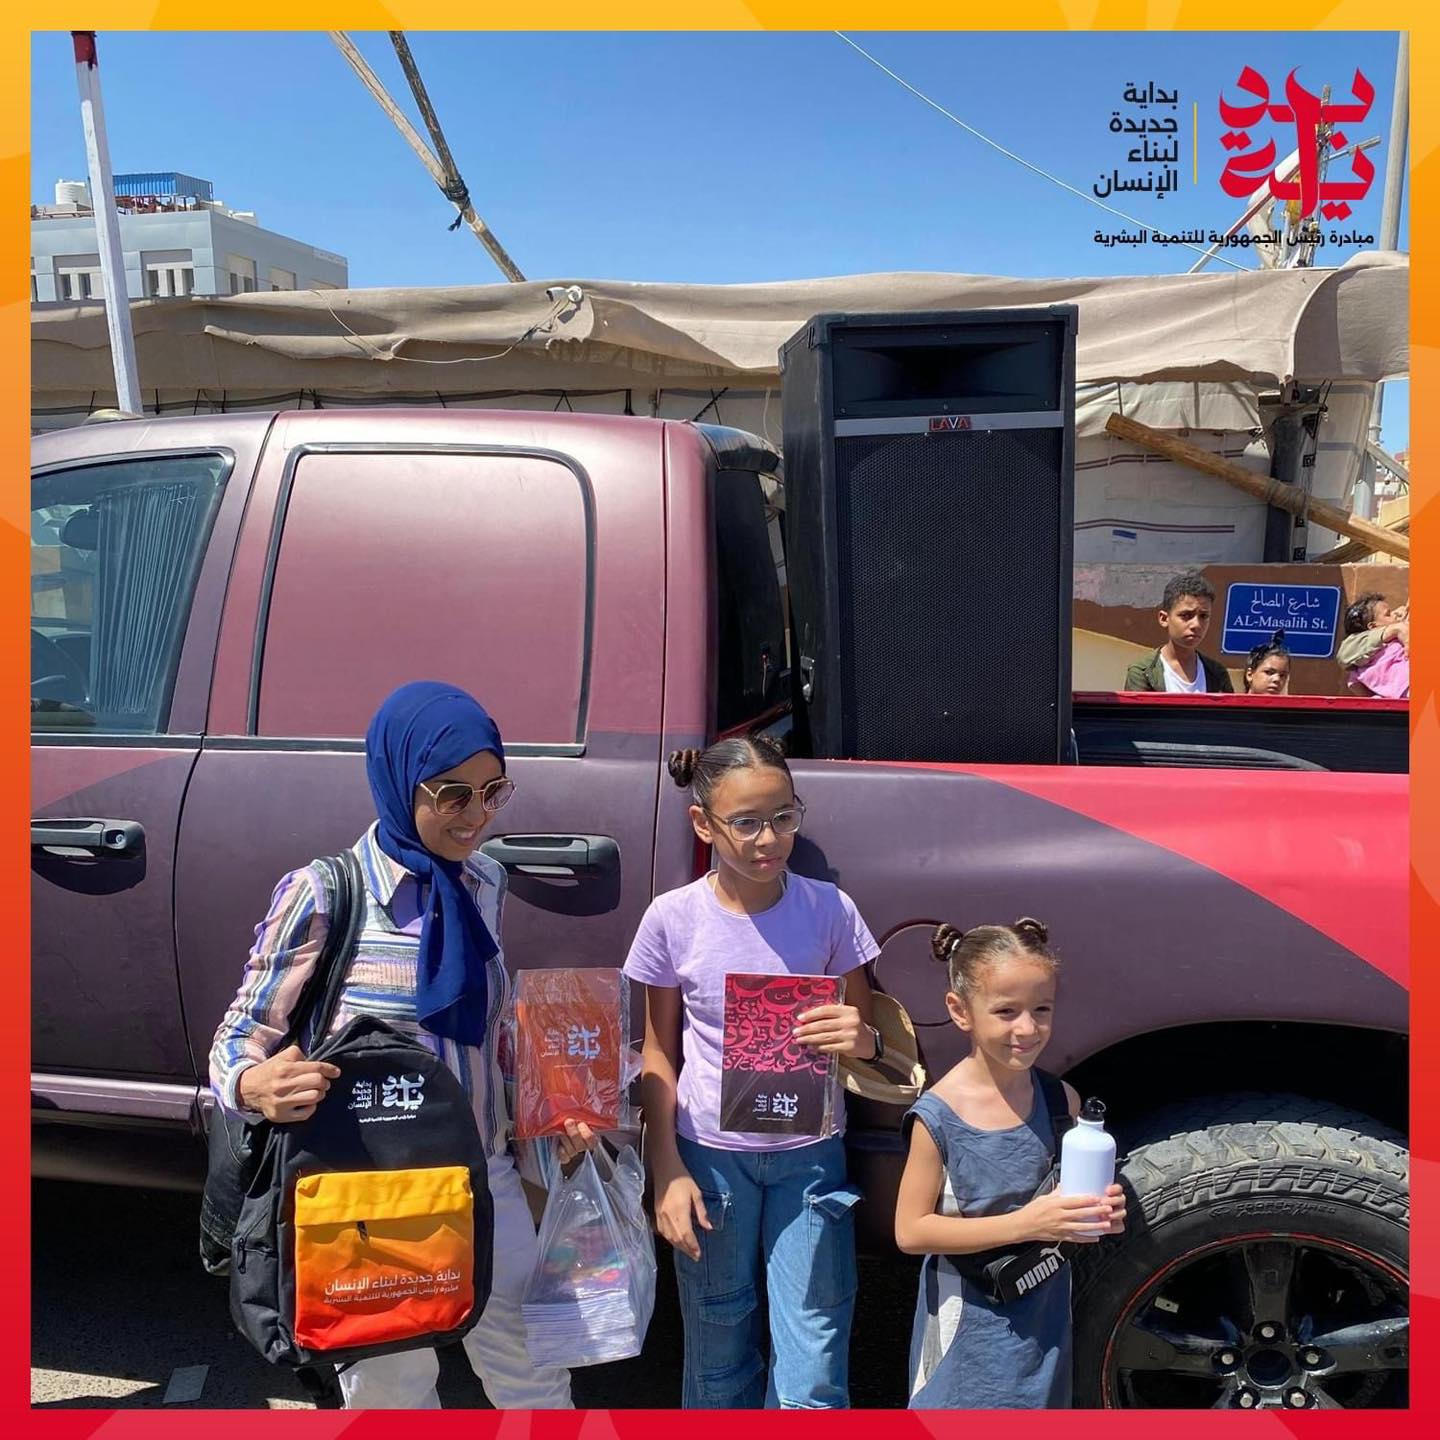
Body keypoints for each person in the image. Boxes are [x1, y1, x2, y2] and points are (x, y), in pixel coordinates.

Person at [210, 680, 592, 1410]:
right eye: (453, 795)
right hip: (372, 1190)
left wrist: (550, 1108)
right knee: (392, 1389)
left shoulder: (484, 881)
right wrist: (254, 1085)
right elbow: (240, 1034)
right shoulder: (325, 891)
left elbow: (489, 1034)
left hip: (483, 1172)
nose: (476, 815)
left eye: (493, 792)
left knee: (534, 1374)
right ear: (398, 779)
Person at [623, 735, 881, 1409]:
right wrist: (666, 1170)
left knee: (814, 1356)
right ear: (703, 823)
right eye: (746, 822)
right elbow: (658, 1052)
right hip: (711, 1164)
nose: (768, 839)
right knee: (718, 1352)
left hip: (810, 1161)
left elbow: (865, 1033)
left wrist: (861, 1037)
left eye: (783, 817)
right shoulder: (673, 919)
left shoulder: (829, 909)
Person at [894, 919, 1126, 1409]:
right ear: (960, 1010)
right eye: (1006, 1011)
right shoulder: (938, 1117)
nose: (1027, 1028)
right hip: (965, 1329)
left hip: (1043, 1324)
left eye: (1042, 1009)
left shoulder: (1060, 1101)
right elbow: (911, 1232)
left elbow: (1067, 1205)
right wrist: (1028, 1223)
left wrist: (1101, 1212)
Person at [1123, 571, 1234, 693]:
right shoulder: (1143, 673)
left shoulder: (1217, 674)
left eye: (1203, 616)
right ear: (1164, 618)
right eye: (1186, 615)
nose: (1196, 625)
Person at [1337, 592, 1410, 699]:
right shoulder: (1387, 643)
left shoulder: (1360, 664)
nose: (1395, 614)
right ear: (1373, 626)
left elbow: (1354, 685)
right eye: (1388, 614)